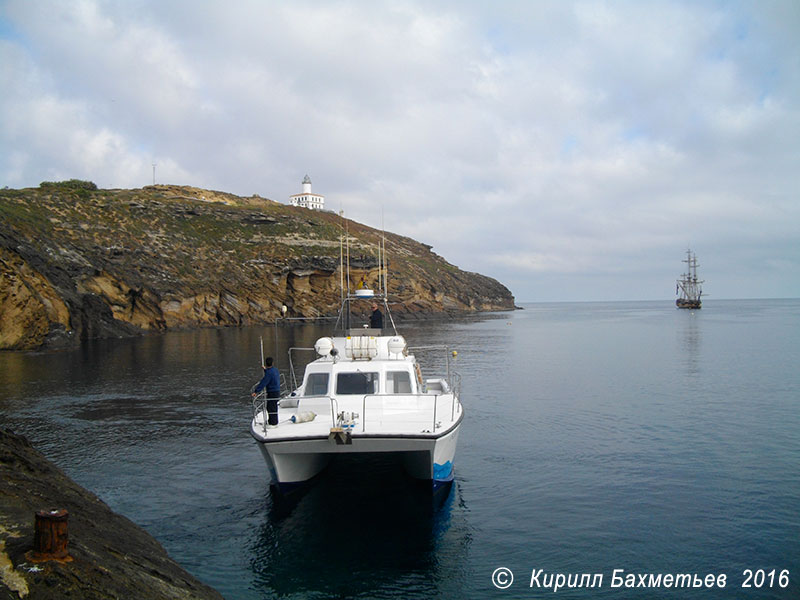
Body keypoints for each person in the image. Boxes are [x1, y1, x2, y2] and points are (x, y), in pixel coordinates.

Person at [252, 357, 281, 426]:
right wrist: (265, 370)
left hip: (272, 392)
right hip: (277, 391)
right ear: (272, 363)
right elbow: (270, 374)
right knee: (271, 407)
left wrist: (256, 391)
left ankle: (273, 423)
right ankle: (272, 421)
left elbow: (263, 382)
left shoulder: (269, 373)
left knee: (271, 408)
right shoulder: (275, 370)